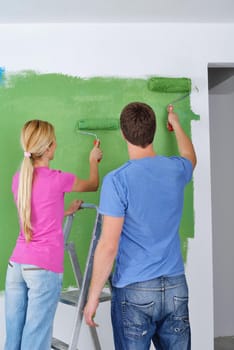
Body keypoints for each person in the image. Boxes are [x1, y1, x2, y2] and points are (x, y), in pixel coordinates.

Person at [84, 102, 196, 350]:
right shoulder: (176, 169)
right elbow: (190, 157)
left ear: (123, 134)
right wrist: (176, 123)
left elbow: (108, 246)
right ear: (154, 130)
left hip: (135, 291)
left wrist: (92, 298)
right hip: (176, 285)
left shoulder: (117, 181)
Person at [4, 119, 102, 350]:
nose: (56, 145)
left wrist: (65, 210)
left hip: (16, 265)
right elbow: (93, 184)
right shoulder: (59, 179)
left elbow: (36, 215)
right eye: (54, 141)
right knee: (35, 342)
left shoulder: (19, 179)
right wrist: (93, 160)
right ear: (48, 148)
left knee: (13, 341)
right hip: (43, 268)